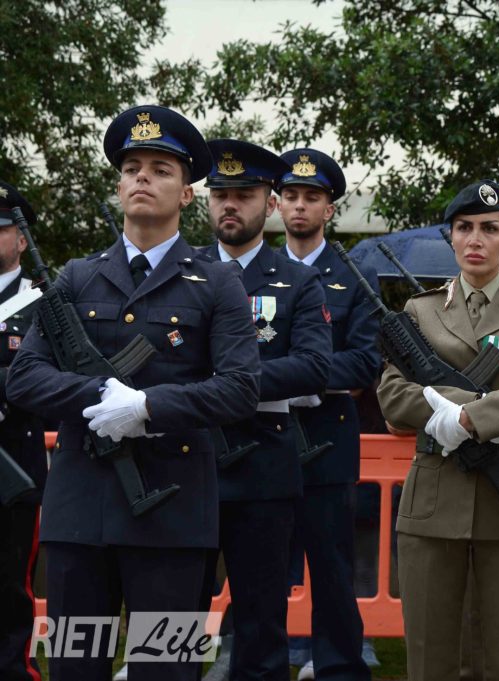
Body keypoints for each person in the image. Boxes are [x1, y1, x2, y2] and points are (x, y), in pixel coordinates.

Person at [6, 105, 261, 681]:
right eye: (132, 169)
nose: (142, 177)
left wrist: (147, 407)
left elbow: (241, 388)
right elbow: (25, 376)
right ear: (119, 187)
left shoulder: (218, 281)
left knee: (164, 670)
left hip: (173, 518)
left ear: (187, 194)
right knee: (76, 668)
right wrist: (101, 392)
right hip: (81, 517)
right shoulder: (77, 276)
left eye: (160, 169)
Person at [377, 180, 499, 681]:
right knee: (431, 657)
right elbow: (392, 396)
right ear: (452, 237)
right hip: (434, 495)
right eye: (464, 228)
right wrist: (478, 409)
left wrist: (467, 416)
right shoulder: (420, 310)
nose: (476, 239)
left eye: (489, 228)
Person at [197, 139, 332, 680]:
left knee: (260, 624)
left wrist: (227, 384)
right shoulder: (180, 272)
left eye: (245, 194)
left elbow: (314, 367)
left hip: (262, 466)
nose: (230, 204)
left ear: (270, 204)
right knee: (170, 615)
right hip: (185, 462)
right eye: (220, 194)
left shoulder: (297, 279)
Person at [279, 147, 380, 681]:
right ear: (276, 204)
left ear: (329, 209)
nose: (300, 205)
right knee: (259, 565)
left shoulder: (354, 277)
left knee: (333, 569)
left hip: (327, 442)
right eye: (291, 195)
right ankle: (253, 660)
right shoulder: (255, 271)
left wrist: (295, 376)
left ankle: (338, 665)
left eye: (311, 197)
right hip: (262, 440)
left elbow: (364, 363)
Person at [0, 182, 46, 681]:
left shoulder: (42, 303)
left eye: (0, 228)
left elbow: (52, 380)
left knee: (11, 584)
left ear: (20, 238)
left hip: (14, 463)